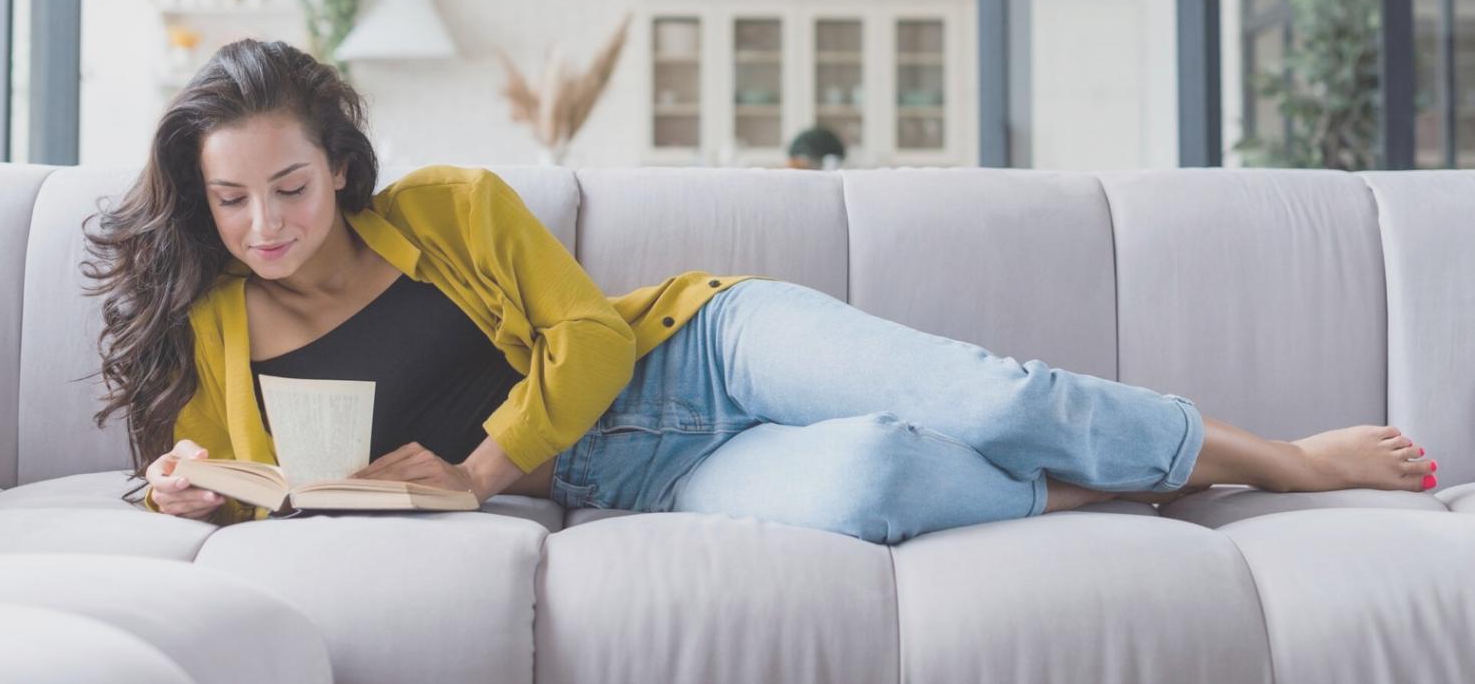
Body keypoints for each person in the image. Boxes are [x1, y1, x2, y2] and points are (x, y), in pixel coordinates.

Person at [85, 39, 1440, 542]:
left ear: (337, 165)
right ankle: (1114, 493)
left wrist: (478, 474)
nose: (265, 224)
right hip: (636, 475)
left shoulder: (449, 207)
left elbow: (589, 339)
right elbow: (232, 481)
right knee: (874, 481)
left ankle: (1277, 461)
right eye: (232, 198)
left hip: (701, 353)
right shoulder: (216, 326)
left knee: (980, 396)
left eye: (290, 186)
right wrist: (185, 488)